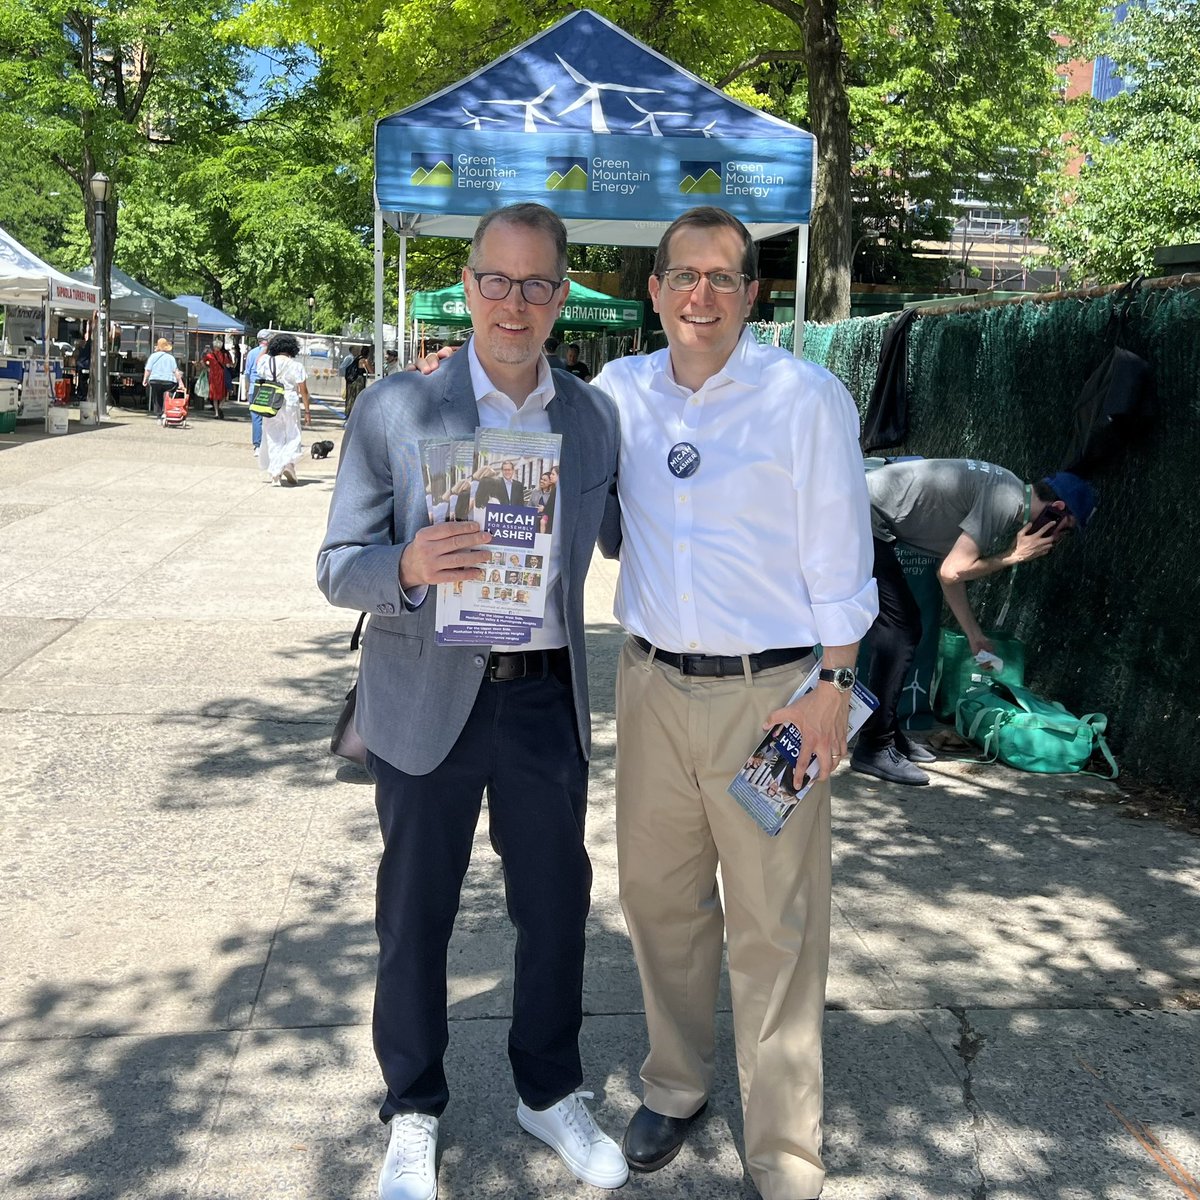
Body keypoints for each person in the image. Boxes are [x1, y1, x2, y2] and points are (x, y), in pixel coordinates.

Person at [316, 202, 626, 1200]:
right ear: (469, 282)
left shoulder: (592, 419)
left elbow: (642, 536)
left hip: (543, 702)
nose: (516, 302)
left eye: (539, 284)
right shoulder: (397, 410)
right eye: (498, 280)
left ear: (562, 294)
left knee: (556, 908)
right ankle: (413, 1107)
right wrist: (404, 562)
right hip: (424, 699)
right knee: (414, 917)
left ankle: (549, 1089)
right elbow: (335, 566)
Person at [593, 206, 877, 1200]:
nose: (702, 295)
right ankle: (675, 1085)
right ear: (655, 290)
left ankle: (787, 1154)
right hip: (650, 688)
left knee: (777, 928)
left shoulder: (803, 399)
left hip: (776, 698)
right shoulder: (618, 392)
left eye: (724, 277)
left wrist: (834, 687)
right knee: (659, 904)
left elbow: (843, 552)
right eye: (684, 275)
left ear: (754, 295)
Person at [852, 460, 1097, 785]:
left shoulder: (1007, 490)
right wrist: (1013, 556)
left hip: (863, 513)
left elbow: (948, 571)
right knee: (900, 630)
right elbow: (953, 571)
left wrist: (973, 634)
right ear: (1056, 509)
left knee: (904, 627)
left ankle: (885, 732)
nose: (1058, 540)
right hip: (857, 516)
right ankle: (874, 745)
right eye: (1064, 528)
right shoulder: (1005, 501)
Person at [256, 333, 311, 486]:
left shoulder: (267, 362)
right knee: (293, 435)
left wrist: (266, 347)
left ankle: (275, 475)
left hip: (271, 401)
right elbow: (303, 390)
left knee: (273, 436)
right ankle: (286, 463)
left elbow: (257, 362)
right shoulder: (296, 366)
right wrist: (307, 410)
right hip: (290, 402)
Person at [243, 329, 271, 452]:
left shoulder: (251, 353)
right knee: (269, 417)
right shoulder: (271, 355)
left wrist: (247, 389)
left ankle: (257, 445)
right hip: (267, 388)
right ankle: (268, 443)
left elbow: (247, 373)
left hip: (254, 387)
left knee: (256, 418)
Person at [142, 338, 184, 417]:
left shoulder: (153, 356)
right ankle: (167, 409)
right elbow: (176, 371)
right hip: (169, 381)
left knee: (157, 395)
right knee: (169, 392)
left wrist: (145, 379)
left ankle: (159, 413)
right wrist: (181, 383)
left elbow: (148, 369)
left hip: (154, 380)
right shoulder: (171, 358)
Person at [202, 337, 233, 419]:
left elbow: (202, 362)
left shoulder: (210, 355)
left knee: (215, 395)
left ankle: (216, 413)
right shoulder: (224, 355)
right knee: (223, 393)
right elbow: (228, 365)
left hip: (213, 376)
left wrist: (207, 368)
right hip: (222, 376)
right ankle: (220, 407)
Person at [345, 348, 370, 422]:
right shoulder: (365, 361)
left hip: (352, 380)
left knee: (351, 397)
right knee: (358, 397)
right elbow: (371, 371)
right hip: (359, 380)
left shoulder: (356, 358)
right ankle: (355, 414)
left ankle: (349, 413)